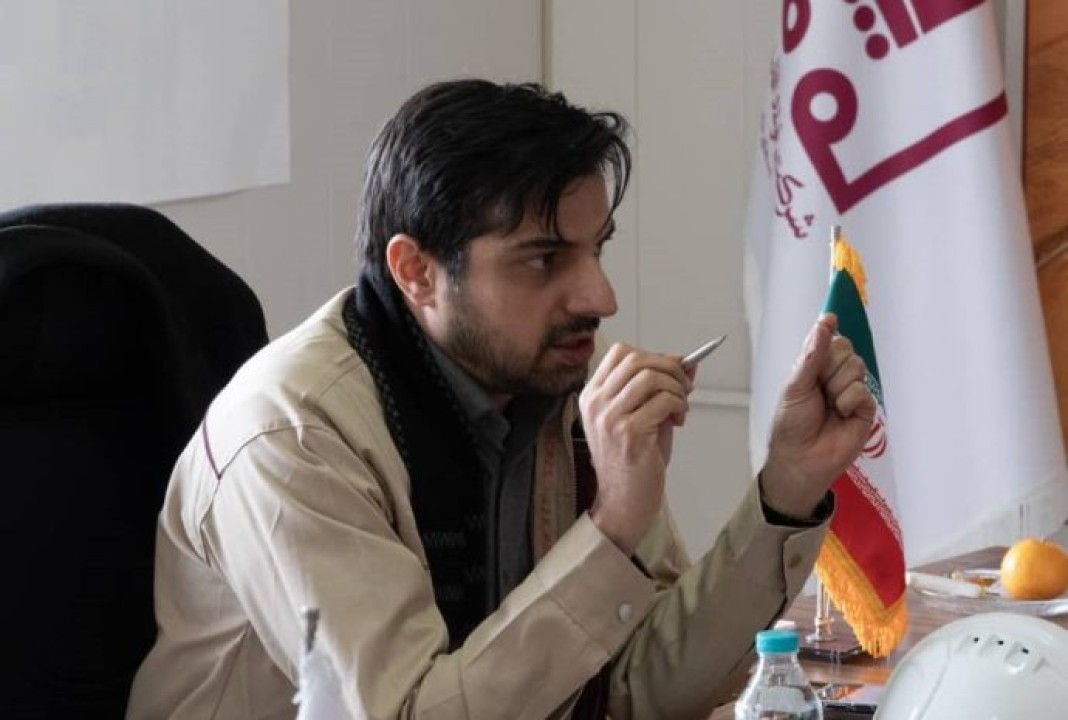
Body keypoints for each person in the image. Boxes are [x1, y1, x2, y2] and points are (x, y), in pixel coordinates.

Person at [127, 79, 875, 720]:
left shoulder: (546, 388)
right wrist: (610, 529)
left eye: (596, 248)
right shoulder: (292, 438)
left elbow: (633, 688)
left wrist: (788, 487)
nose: (600, 297)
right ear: (416, 272)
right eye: (543, 259)